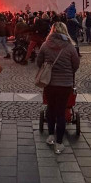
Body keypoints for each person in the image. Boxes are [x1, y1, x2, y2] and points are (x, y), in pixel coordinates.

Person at [37, 22, 80, 154]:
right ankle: (59, 143)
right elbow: (76, 65)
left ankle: (50, 136)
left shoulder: (45, 45)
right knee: (61, 112)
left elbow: (39, 62)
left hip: (49, 83)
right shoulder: (70, 47)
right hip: (65, 84)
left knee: (50, 108)